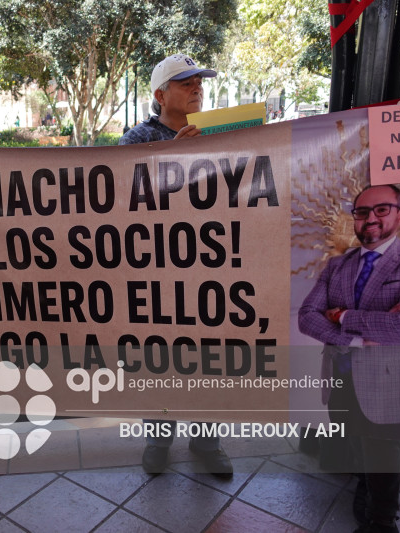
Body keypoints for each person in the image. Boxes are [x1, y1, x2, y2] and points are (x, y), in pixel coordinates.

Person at [298, 184, 400, 533]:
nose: (371, 219)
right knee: (353, 436)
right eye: (362, 212)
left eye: (382, 210)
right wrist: (359, 337)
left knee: (381, 449)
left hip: (386, 378)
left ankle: (383, 521)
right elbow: (307, 317)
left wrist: (342, 315)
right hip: (340, 371)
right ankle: (364, 486)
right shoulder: (338, 265)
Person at [119, 54, 233, 478]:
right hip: (159, 276)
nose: (197, 89)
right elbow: (124, 205)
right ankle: (159, 439)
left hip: (211, 271)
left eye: (200, 82)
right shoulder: (136, 141)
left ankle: (207, 442)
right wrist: (173, 157)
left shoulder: (222, 132)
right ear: (160, 94)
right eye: (187, 83)